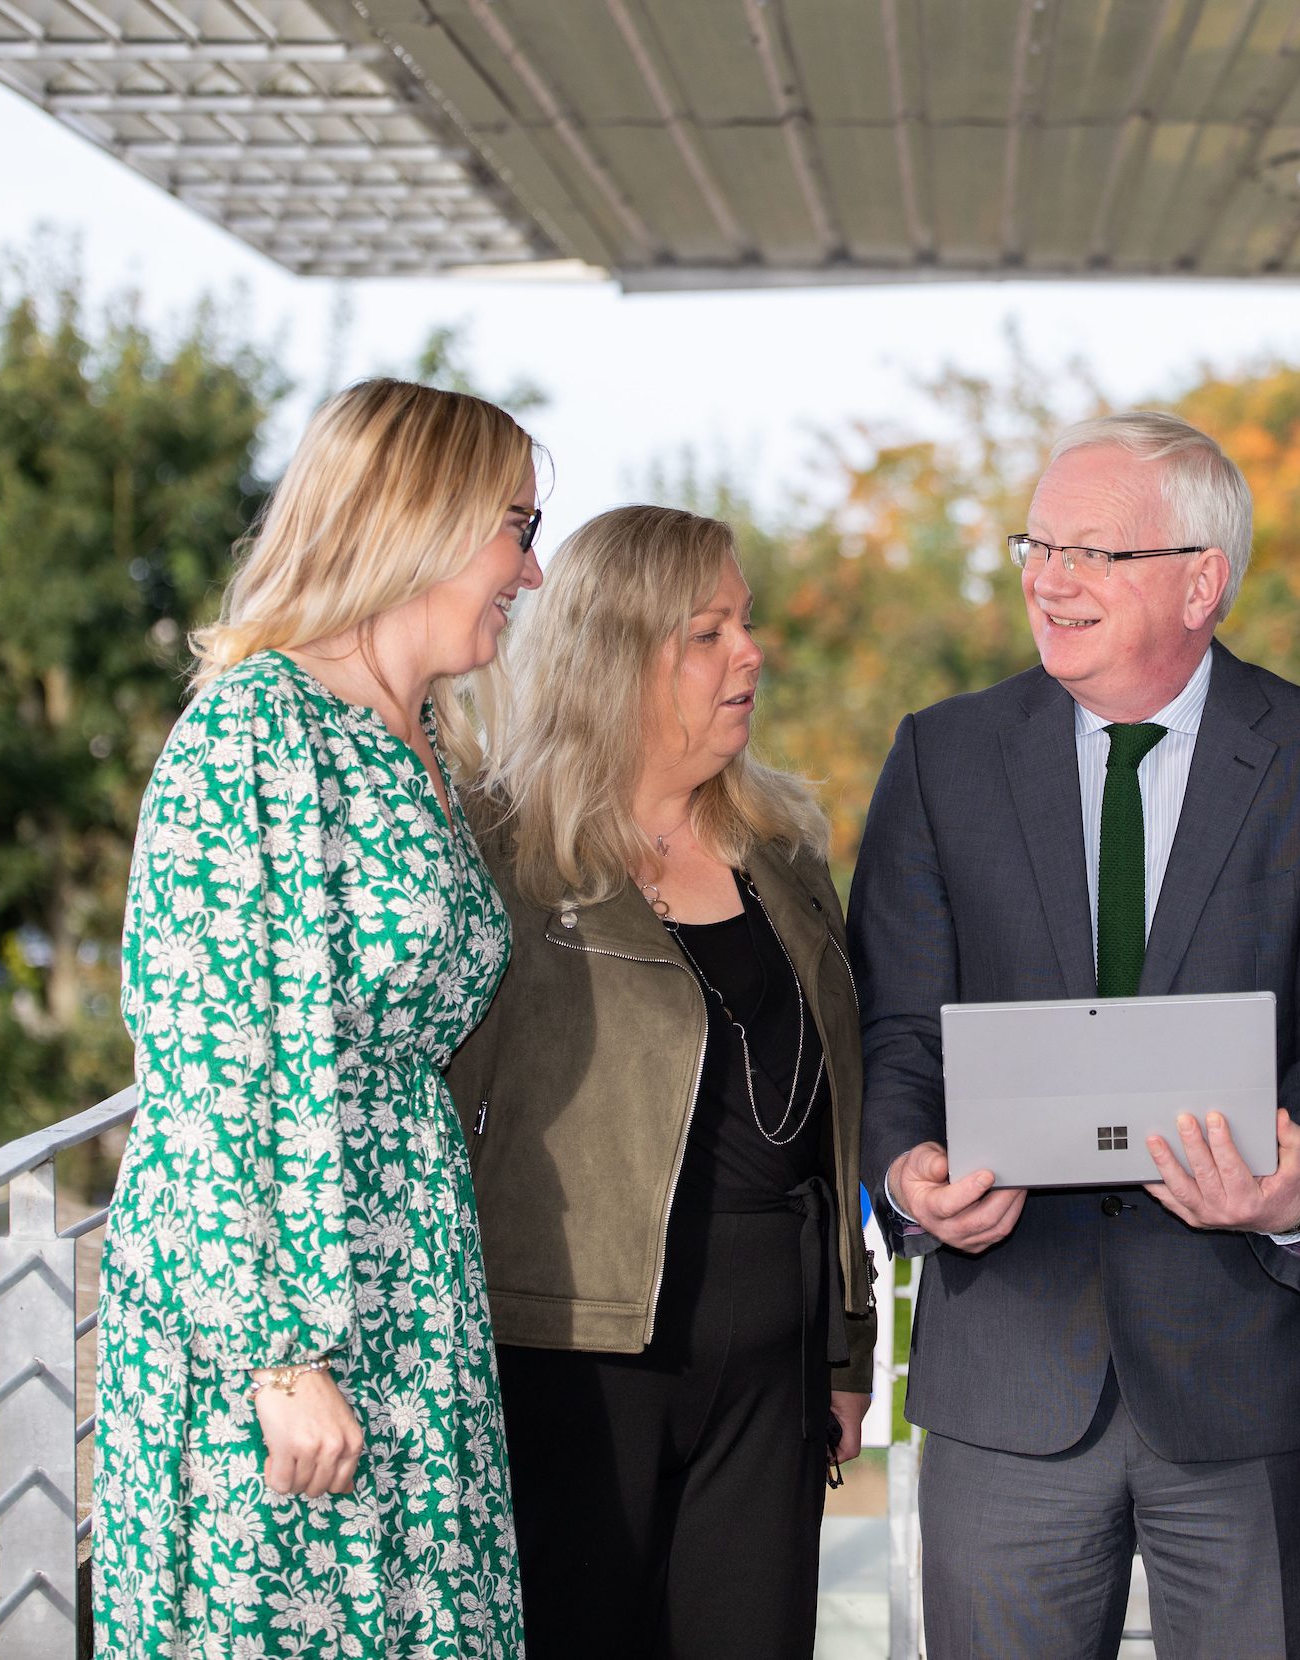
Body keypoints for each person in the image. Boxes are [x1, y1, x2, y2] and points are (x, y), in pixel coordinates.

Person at [852, 411, 1300, 1659]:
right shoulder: (941, 759)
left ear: (1201, 582)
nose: (1048, 580)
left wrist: (1296, 1186)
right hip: (1006, 1370)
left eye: (1093, 555)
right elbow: (896, 1026)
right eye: (1035, 545)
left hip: (1250, 1369)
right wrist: (905, 1171)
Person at [92, 378, 542, 1658]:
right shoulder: (255, 732)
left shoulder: (417, 736)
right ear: (422, 518)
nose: (536, 568)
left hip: (409, 1287)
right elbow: (211, 1061)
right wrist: (280, 1356)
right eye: (517, 525)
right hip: (281, 1318)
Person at [447, 505, 876, 1659]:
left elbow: (829, 1122)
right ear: (618, 653)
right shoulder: (502, 853)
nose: (752, 650)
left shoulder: (784, 846)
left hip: (773, 1363)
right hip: (571, 1357)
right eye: (709, 631)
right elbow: (435, 1114)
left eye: (746, 622)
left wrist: (845, 1346)